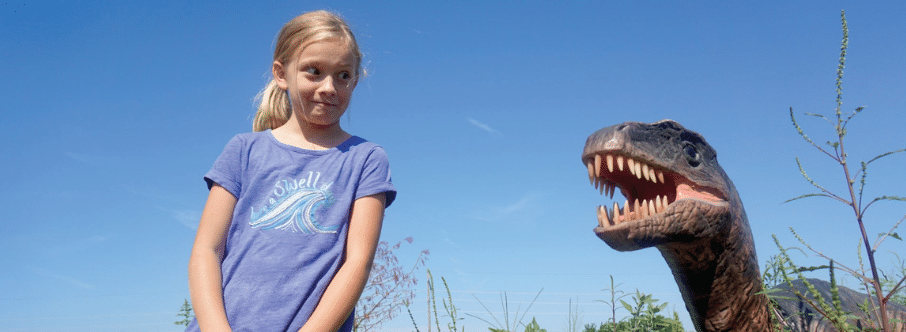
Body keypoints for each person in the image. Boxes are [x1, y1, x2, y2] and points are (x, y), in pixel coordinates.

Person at [186, 10, 396, 332]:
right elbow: (207, 250)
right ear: (281, 74)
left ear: (355, 80)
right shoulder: (243, 150)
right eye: (314, 71)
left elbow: (358, 263)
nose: (329, 87)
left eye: (342, 75)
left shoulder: (366, 159)